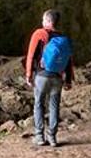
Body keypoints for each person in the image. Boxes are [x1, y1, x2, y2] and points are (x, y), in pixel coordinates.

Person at [24, 9, 74, 147]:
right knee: (54, 107)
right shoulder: (63, 38)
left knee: (39, 104)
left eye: (43, 20)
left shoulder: (40, 34)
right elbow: (69, 61)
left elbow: (31, 55)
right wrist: (68, 80)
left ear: (48, 21)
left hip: (42, 76)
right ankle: (52, 137)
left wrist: (29, 74)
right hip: (57, 78)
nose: (42, 22)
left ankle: (39, 136)